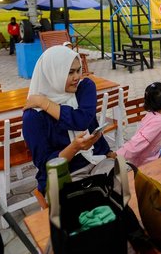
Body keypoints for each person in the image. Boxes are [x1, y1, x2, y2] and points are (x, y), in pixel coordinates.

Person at [23, 45, 115, 194]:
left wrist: (107, 151)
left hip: (96, 160)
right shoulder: (33, 117)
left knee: (124, 182)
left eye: (78, 70)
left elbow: (83, 121)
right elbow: (47, 164)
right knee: (94, 201)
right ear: (52, 74)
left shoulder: (83, 88)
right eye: (70, 72)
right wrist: (74, 147)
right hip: (65, 174)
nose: (77, 77)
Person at [109, 82, 161, 167]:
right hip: (147, 162)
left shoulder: (151, 115)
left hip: (152, 153)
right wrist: (118, 154)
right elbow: (138, 142)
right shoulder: (158, 121)